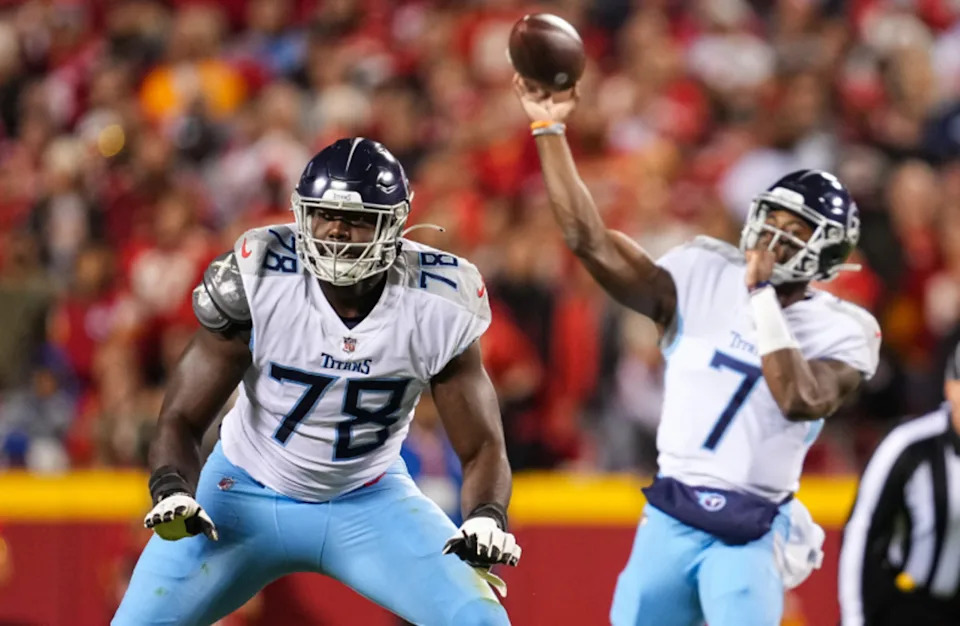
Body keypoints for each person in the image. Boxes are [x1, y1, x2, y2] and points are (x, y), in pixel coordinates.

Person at [512, 76, 880, 626]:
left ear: (827, 251)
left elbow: (798, 396)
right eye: (771, 219)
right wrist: (549, 127)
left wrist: (760, 299)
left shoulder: (842, 329)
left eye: (795, 228)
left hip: (753, 524)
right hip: (671, 512)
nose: (773, 236)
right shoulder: (703, 273)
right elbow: (589, 240)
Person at [112, 138, 520, 626]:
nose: (336, 230)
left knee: (482, 621)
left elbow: (482, 445)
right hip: (241, 492)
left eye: (356, 218)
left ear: (393, 226)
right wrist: (172, 487)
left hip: (369, 498)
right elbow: (180, 415)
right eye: (324, 214)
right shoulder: (260, 271)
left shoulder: (437, 302)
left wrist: (486, 516)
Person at [838, 340, 960, 626]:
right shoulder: (910, 444)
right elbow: (862, 529)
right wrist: (854, 619)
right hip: (907, 604)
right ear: (950, 387)